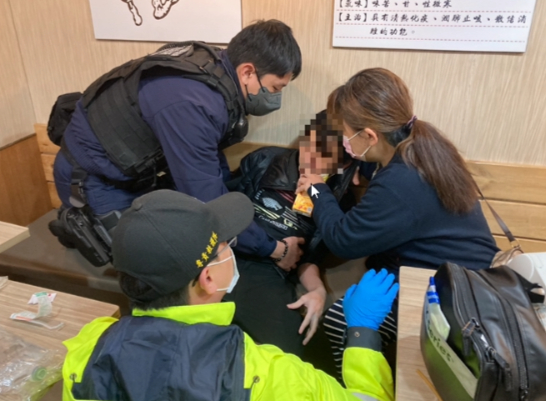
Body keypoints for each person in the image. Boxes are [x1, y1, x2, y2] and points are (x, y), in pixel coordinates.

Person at [61, 189, 398, 401]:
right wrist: (362, 332)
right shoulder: (266, 374)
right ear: (207, 278)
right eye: (227, 246)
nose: (232, 252)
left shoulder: (86, 352)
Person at [49, 19, 304, 271]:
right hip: (90, 179)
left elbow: (211, 159)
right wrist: (274, 249)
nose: (276, 98)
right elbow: (207, 199)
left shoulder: (214, 72)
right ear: (247, 72)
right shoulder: (192, 103)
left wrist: (235, 207)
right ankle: (76, 222)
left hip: (132, 174)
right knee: (153, 270)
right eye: (275, 88)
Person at [296, 68, 499, 376]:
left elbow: (343, 239)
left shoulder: (402, 180)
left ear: (370, 135)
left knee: (338, 322)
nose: (344, 143)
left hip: (452, 294)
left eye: (346, 135)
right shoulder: (420, 144)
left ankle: (357, 391)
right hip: (458, 275)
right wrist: (358, 166)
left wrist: (316, 189)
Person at [224, 112, 358, 356]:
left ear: (344, 165)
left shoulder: (337, 200)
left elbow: (309, 259)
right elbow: (223, 208)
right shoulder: (265, 160)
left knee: (302, 350)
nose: (309, 159)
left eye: (323, 156)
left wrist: (318, 291)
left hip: (270, 274)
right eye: (309, 145)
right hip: (230, 254)